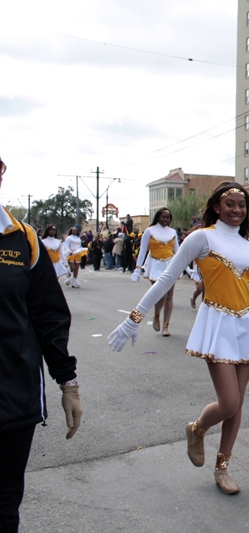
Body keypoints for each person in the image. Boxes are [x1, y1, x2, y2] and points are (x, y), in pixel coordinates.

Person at [109, 184, 249, 495]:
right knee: (229, 402)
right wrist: (134, 318)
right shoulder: (201, 238)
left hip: (247, 325)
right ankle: (197, 429)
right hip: (216, 324)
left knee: (237, 404)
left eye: (242, 205)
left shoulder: (248, 247)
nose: (237, 210)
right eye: (230, 203)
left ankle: (222, 468)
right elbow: (166, 277)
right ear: (217, 206)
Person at [0, 156, 82, 532]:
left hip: (13, 399)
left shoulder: (23, 239)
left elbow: (49, 316)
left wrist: (69, 383)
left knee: (4, 502)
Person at [131, 207, 180, 336]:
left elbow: (178, 251)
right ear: (158, 217)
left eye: (168, 218)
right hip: (155, 265)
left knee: (169, 296)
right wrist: (137, 269)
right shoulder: (149, 231)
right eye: (163, 217)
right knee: (161, 294)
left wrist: (187, 268)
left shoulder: (173, 232)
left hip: (170, 265)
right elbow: (142, 251)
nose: (165, 220)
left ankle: (166, 326)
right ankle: (157, 315)